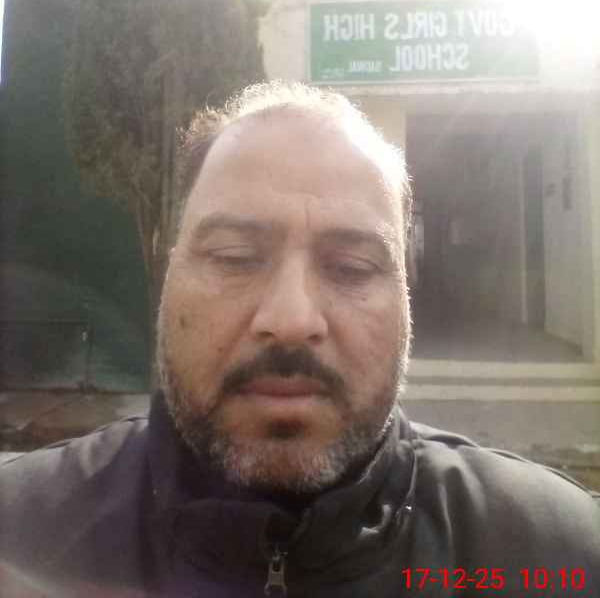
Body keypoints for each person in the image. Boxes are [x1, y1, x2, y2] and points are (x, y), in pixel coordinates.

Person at [1, 81, 599, 597]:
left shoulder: (556, 554)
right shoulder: (19, 533)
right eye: (235, 257)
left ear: (405, 298)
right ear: (168, 272)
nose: (290, 319)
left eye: (352, 268)